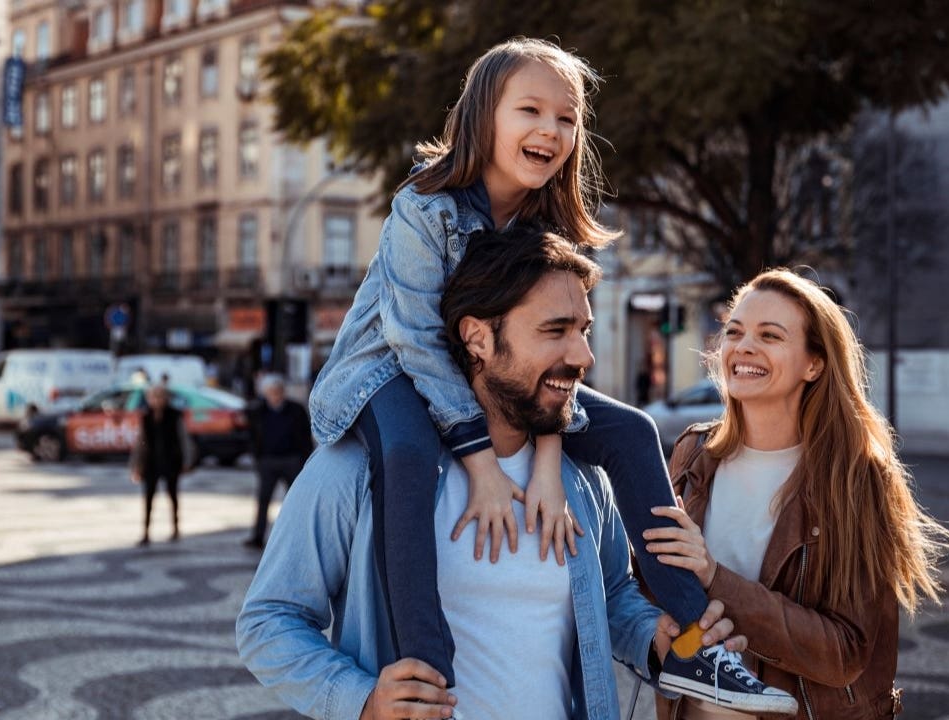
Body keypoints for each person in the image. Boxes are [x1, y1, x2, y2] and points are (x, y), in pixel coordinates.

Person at [302, 37, 784, 712]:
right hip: (386, 375)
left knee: (632, 430)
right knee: (410, 454)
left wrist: (550, 461)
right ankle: (427, 677)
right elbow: (415, 340)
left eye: (567, 118)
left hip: (493, 382)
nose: (550, 130)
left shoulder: (545, 220)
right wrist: (483, 465)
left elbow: (549, 374)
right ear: (482, 118)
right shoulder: (426, 203)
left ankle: (695, 647)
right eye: (530, 110)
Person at [238, 228, 781, 720]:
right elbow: (268, 622)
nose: (584, 355)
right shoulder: (357, 470)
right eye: (556, 330)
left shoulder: (581, 479)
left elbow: (612, 593)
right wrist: (361, 700)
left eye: (585, 330)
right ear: (477, 338)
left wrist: (653, 638)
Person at [644, 269, 949, 720]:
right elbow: (655, 591)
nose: (743, 346)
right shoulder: (693, 454)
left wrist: (715, 577)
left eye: (770, 336)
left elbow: (844, 652)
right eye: (734, 331)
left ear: (814, 364)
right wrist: (655, 630)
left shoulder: (853, 477)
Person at [243, 374, 312, 550]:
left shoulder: (296, 410)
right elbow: (251, 435)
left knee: (296, 501)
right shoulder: (258, 411)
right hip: (268, 461)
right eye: (271, 392)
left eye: (278, 391)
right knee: (263, 499)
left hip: (292, 460)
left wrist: (304, 459)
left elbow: (305, 436)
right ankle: (258, 536)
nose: (275, 396)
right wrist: (257, 457)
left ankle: (300, 535)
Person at [129, 384, 192, 546]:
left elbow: (183, 439)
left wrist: (186, 460)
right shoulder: (146, 417)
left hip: (171, 461)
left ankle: (175, 528)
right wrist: (136, 465)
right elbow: (140, 443)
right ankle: (146, 532)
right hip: (151, 463)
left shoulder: (174, 415)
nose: (156, 400)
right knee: (149, 498)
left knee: (173, 496)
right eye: (153, 397)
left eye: (159, 396)